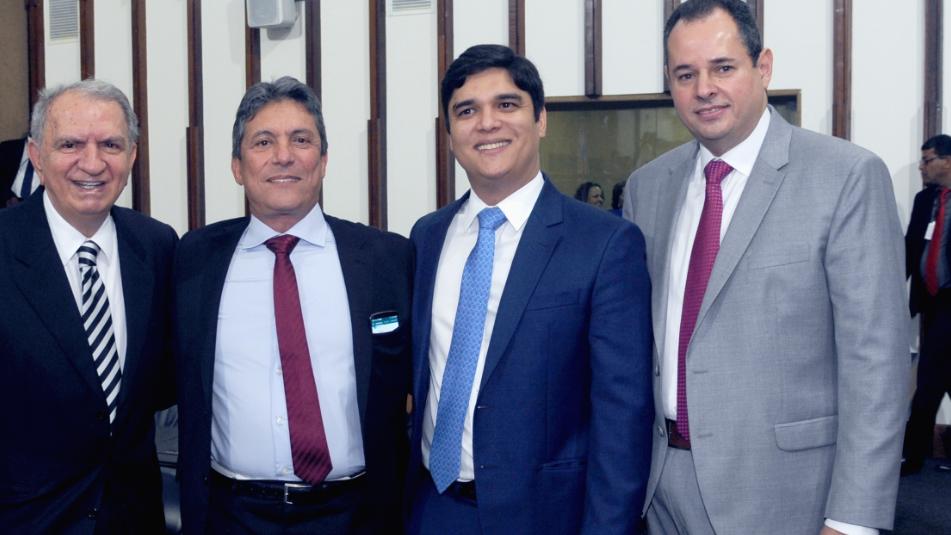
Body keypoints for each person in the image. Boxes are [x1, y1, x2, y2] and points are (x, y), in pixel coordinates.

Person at [623, 1, 908, 533]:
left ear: (764, 67)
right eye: (685, 74)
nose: (704, 88)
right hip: (661, 490)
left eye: (723, 67)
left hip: (788, 492)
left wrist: (852, 520)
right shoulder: (648, 187)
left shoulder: (844, 177)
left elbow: (877, 362)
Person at [407, 44, 653, 535]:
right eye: (466, 111)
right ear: (449, 134)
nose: (487, 123)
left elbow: (623, 417)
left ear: (540, 119)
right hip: (433, 508)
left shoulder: (604, 243)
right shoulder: (427, 237)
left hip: (548, 516)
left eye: (506, 104)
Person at [174, 76, 412, 534]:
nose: (283, 156)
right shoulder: (193, 260)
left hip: (358, 514)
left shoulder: (387, 259)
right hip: (230, 515)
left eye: (301, 140)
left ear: (323, 161)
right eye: (263, 142)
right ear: (237, 167)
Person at [0, 80, 177, 533]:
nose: (93, 163)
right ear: (37, 156)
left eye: (111, 145)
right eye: (71, 144)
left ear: (132, 156)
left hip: (133, 520)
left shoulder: (158, 246)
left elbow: (160, 384)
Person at [902, 134, 951, 475]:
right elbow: (910, 248)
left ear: (948, 161)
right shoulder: (925, 200)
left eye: (928, 159)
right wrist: (892, 295)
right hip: (931, 302)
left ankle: (913, 455)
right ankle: (915, 454)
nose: (922, 166)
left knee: (930, 375)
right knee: (940, 375)